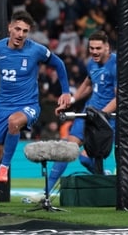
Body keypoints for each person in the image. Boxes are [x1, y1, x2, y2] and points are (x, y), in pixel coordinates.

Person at [0, 10, 71, 212]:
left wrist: (65, 92)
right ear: (10, 28)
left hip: (28, 106)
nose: (20, 34)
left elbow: (59, 63)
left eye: (25, 31)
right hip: (2, 107)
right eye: (17, 29)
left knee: (14, 122)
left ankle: (5, 167)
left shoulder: (36, 50)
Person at [47, 30, 117, 192]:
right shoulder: (91, 63)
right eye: (91, 48)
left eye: (98, 48)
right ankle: (46, 192)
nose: (94, 51)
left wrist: (101, 115)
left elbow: (119, 98)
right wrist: (71, 101)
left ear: (107, 47)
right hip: (88, 113)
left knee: (86, 159)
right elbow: (87, 84)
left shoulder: (116, 65)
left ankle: (105, 181)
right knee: (67, 149)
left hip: (106, 118)